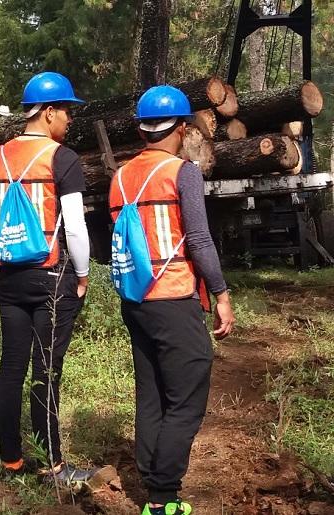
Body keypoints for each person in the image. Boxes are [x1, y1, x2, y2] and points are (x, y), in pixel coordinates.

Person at [108, 85, 235, 515]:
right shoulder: (182, 172)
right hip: (174, 296)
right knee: (187, 395)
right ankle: (163, 497)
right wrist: (221, 294)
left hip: (135, 298)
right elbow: (198, 239)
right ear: (181, 128)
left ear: (144, 129)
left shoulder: (120, 175)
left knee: (151, 391)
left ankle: (150, 478)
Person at [0, 72, 95, 483]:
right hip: (51, 277)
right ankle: (53, 466)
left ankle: (10, 462)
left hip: (9, 277)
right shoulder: (61, 158)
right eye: (66, 110)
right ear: (47, 112)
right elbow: (76, 228)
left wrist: (2, 264)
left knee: (11, 367)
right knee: (46, 369)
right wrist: (82, 276)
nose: (69, 119)